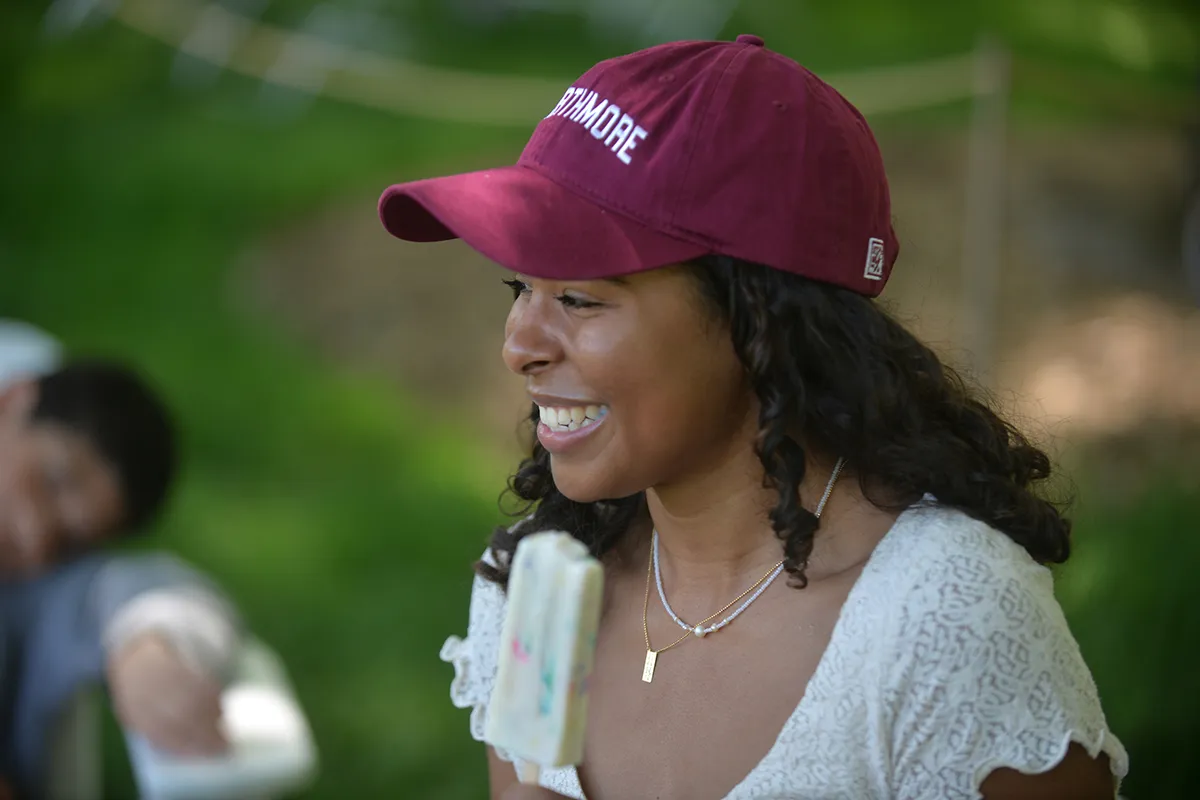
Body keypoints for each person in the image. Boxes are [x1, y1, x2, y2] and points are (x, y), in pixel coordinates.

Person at [378, 34, 1129, 799]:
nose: (519, 346)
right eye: (520, 289)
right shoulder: (536, 587)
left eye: (577, 298)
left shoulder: (940, 621)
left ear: (759, 322)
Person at [0, 320, 242, 799]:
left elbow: (154, 590)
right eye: (50, 479)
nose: (33, 534)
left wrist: (149, 644)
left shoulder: (35, 586)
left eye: (69, 539)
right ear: (13, 400)